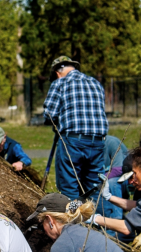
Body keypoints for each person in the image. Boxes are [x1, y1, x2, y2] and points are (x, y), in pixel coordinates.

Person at [44, 56, 108, 199]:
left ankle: (72, 218)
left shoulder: (60, 83)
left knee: (69, 186)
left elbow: (49, 114)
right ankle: (95, 219)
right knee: (94, 187)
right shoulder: (95, 83)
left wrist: (56, 121)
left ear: (56, 72)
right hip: (97, 142)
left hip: (73, 141)